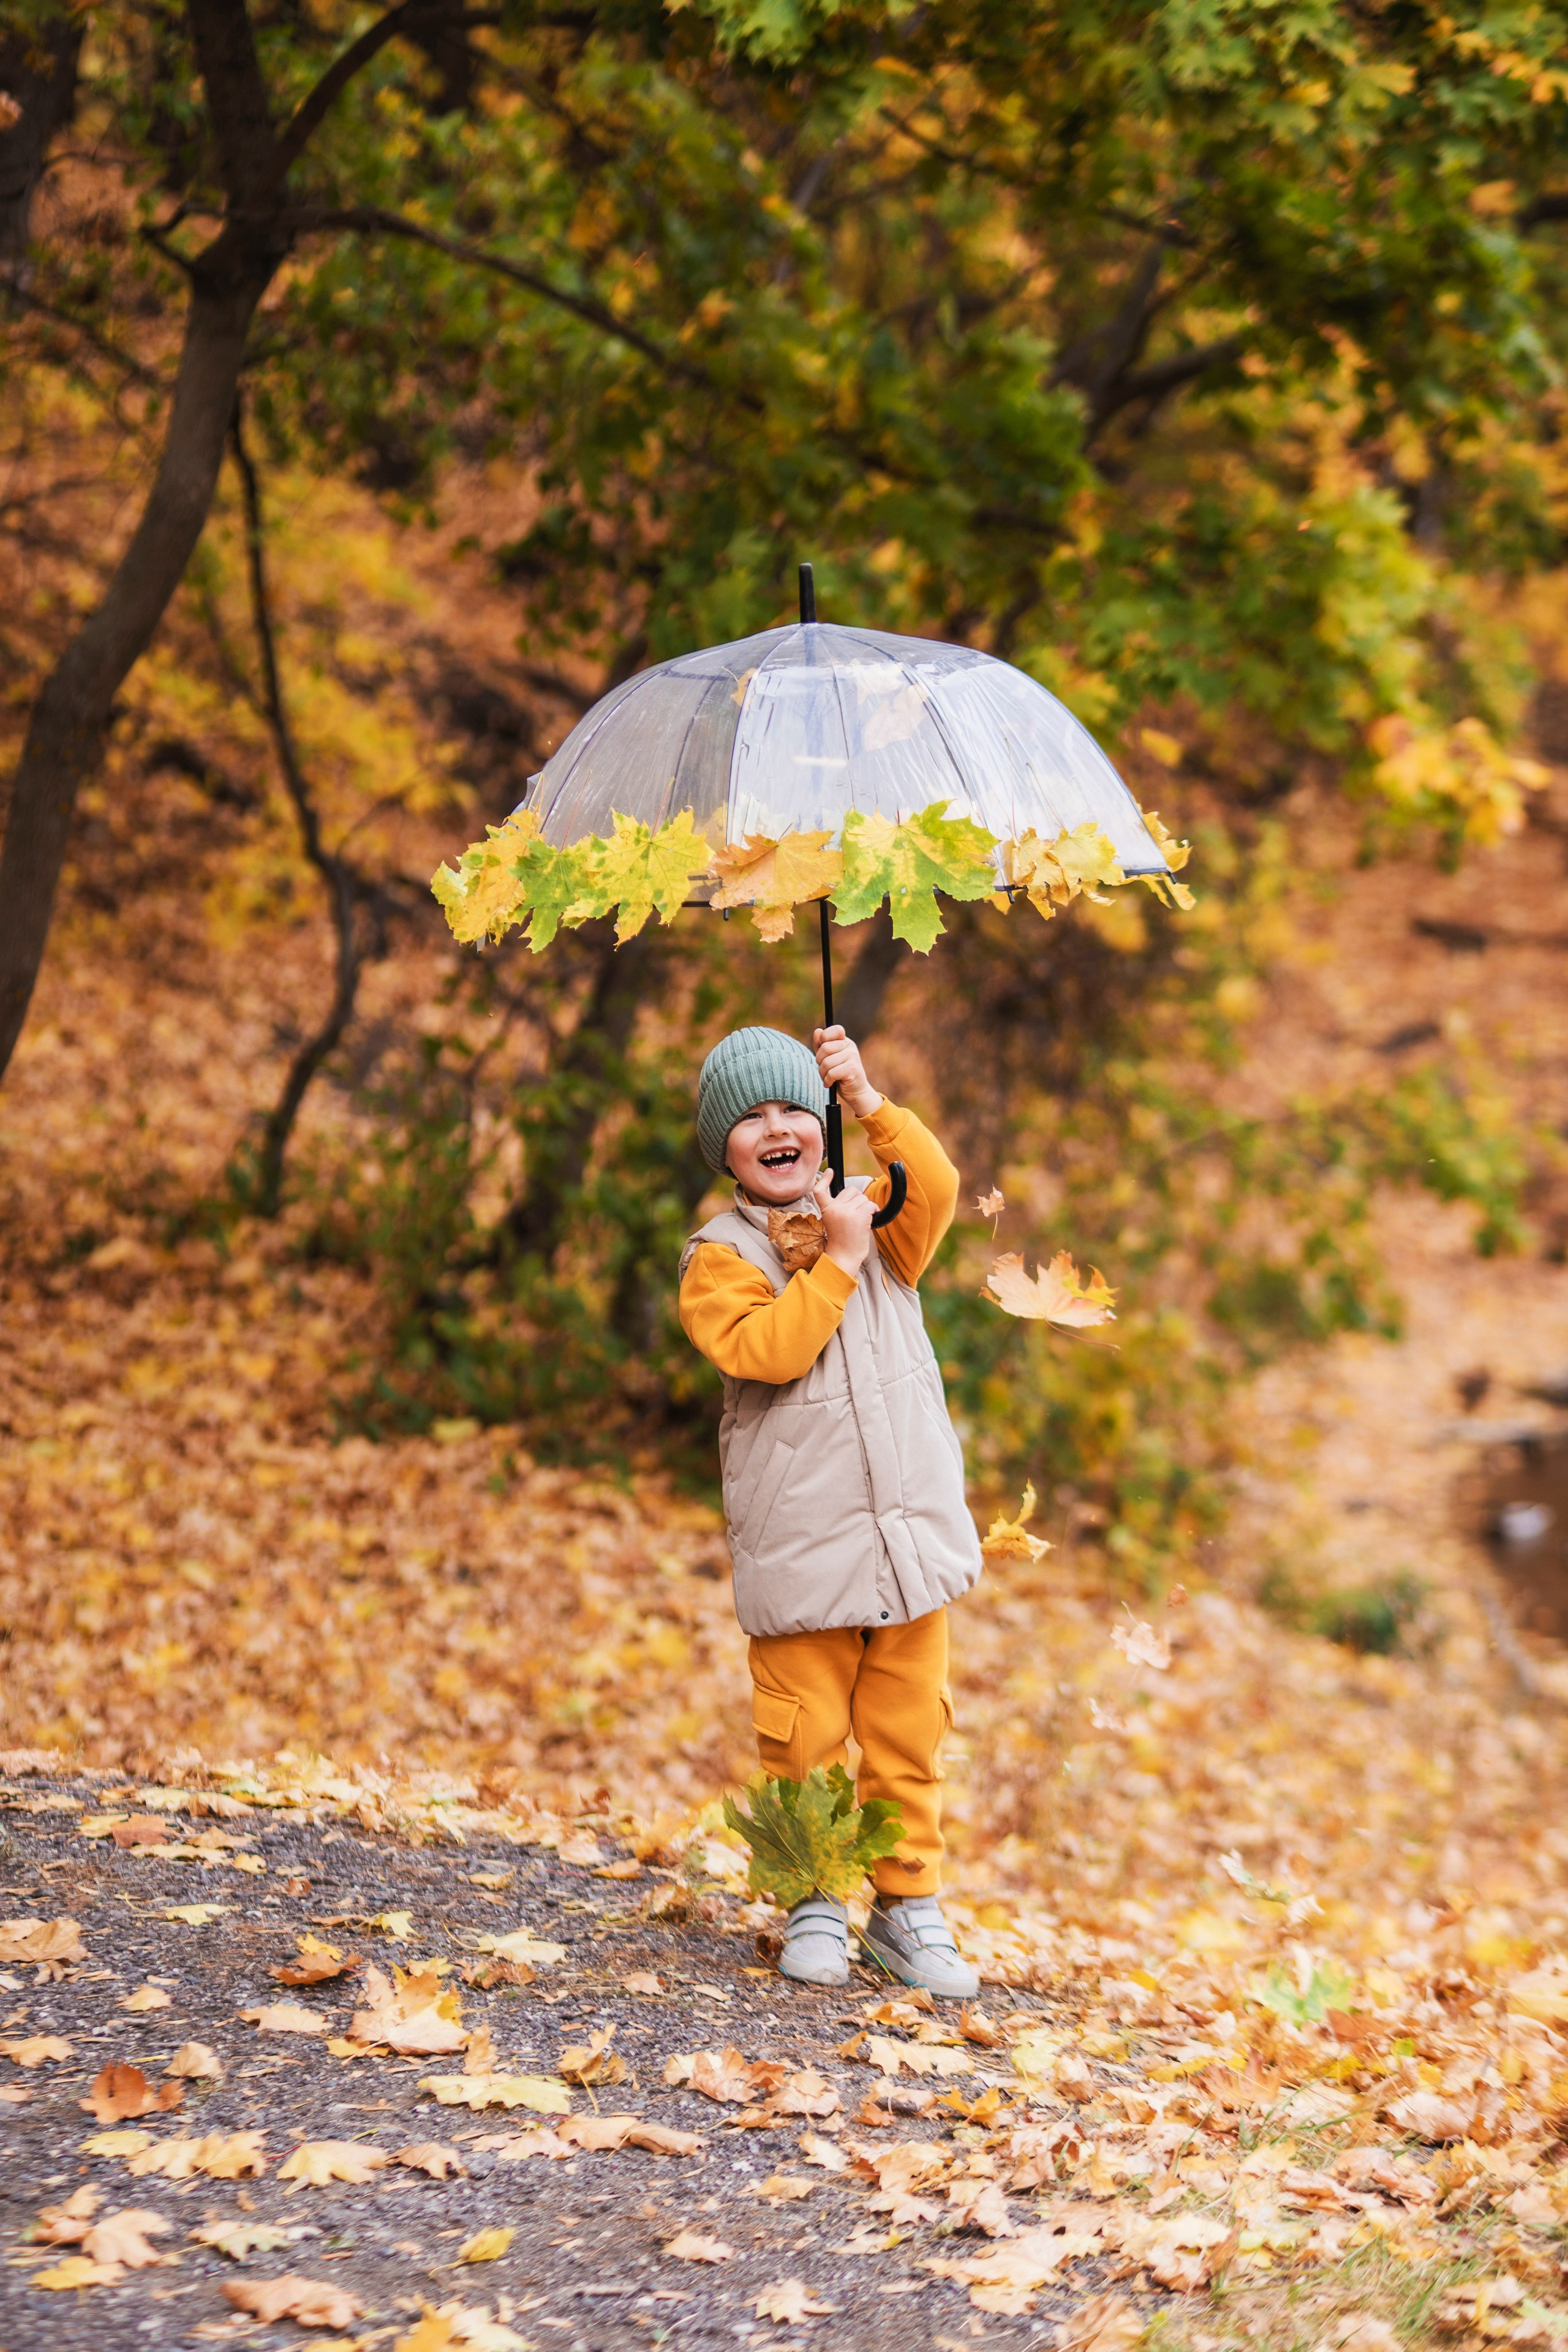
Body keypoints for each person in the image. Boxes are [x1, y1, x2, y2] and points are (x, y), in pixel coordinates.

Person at [678, 1022, 984, 1996]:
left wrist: (870, 1101)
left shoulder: (877, 1221)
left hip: (905, 1544)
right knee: (804, 1736)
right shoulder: (720, 1257)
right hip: (802, 1552)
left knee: (905, 1736)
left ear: (819, 1124)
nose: (777, 1129)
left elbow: (933, 1185)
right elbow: (766, 1351)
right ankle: (813, 1897)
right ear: (724, 1146)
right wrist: (837, 1263)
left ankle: (908, 1908)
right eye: (751, 1120)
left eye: (794, 1110)